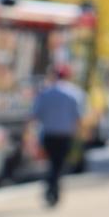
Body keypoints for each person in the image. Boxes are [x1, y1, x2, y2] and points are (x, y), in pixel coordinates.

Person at [31, 63, 86, 208]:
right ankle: (53, 189)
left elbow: (35, 115)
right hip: (65, 135)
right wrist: (81, 134)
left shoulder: (45, 93)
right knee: (59, 163)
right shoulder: (74, 93)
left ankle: (51, 187)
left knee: (52, 163)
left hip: (48, 134)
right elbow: (79, 117)